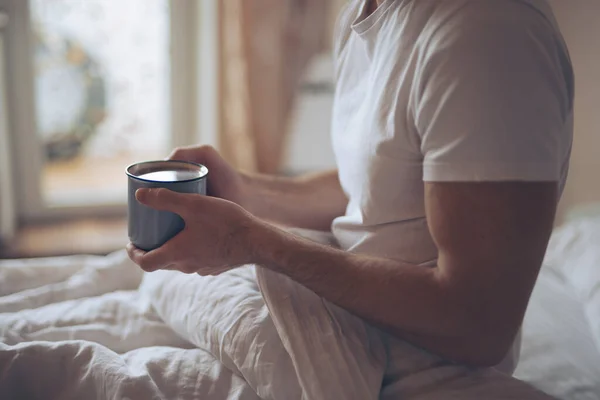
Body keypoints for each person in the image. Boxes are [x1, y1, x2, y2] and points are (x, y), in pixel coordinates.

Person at [127, 0, 574, 374]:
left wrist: (248, 241)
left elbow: (478, 325)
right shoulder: (364, 11)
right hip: (343, 324)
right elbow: (371, 189)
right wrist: (246, 190)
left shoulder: (486, 34)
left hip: (411, 371)